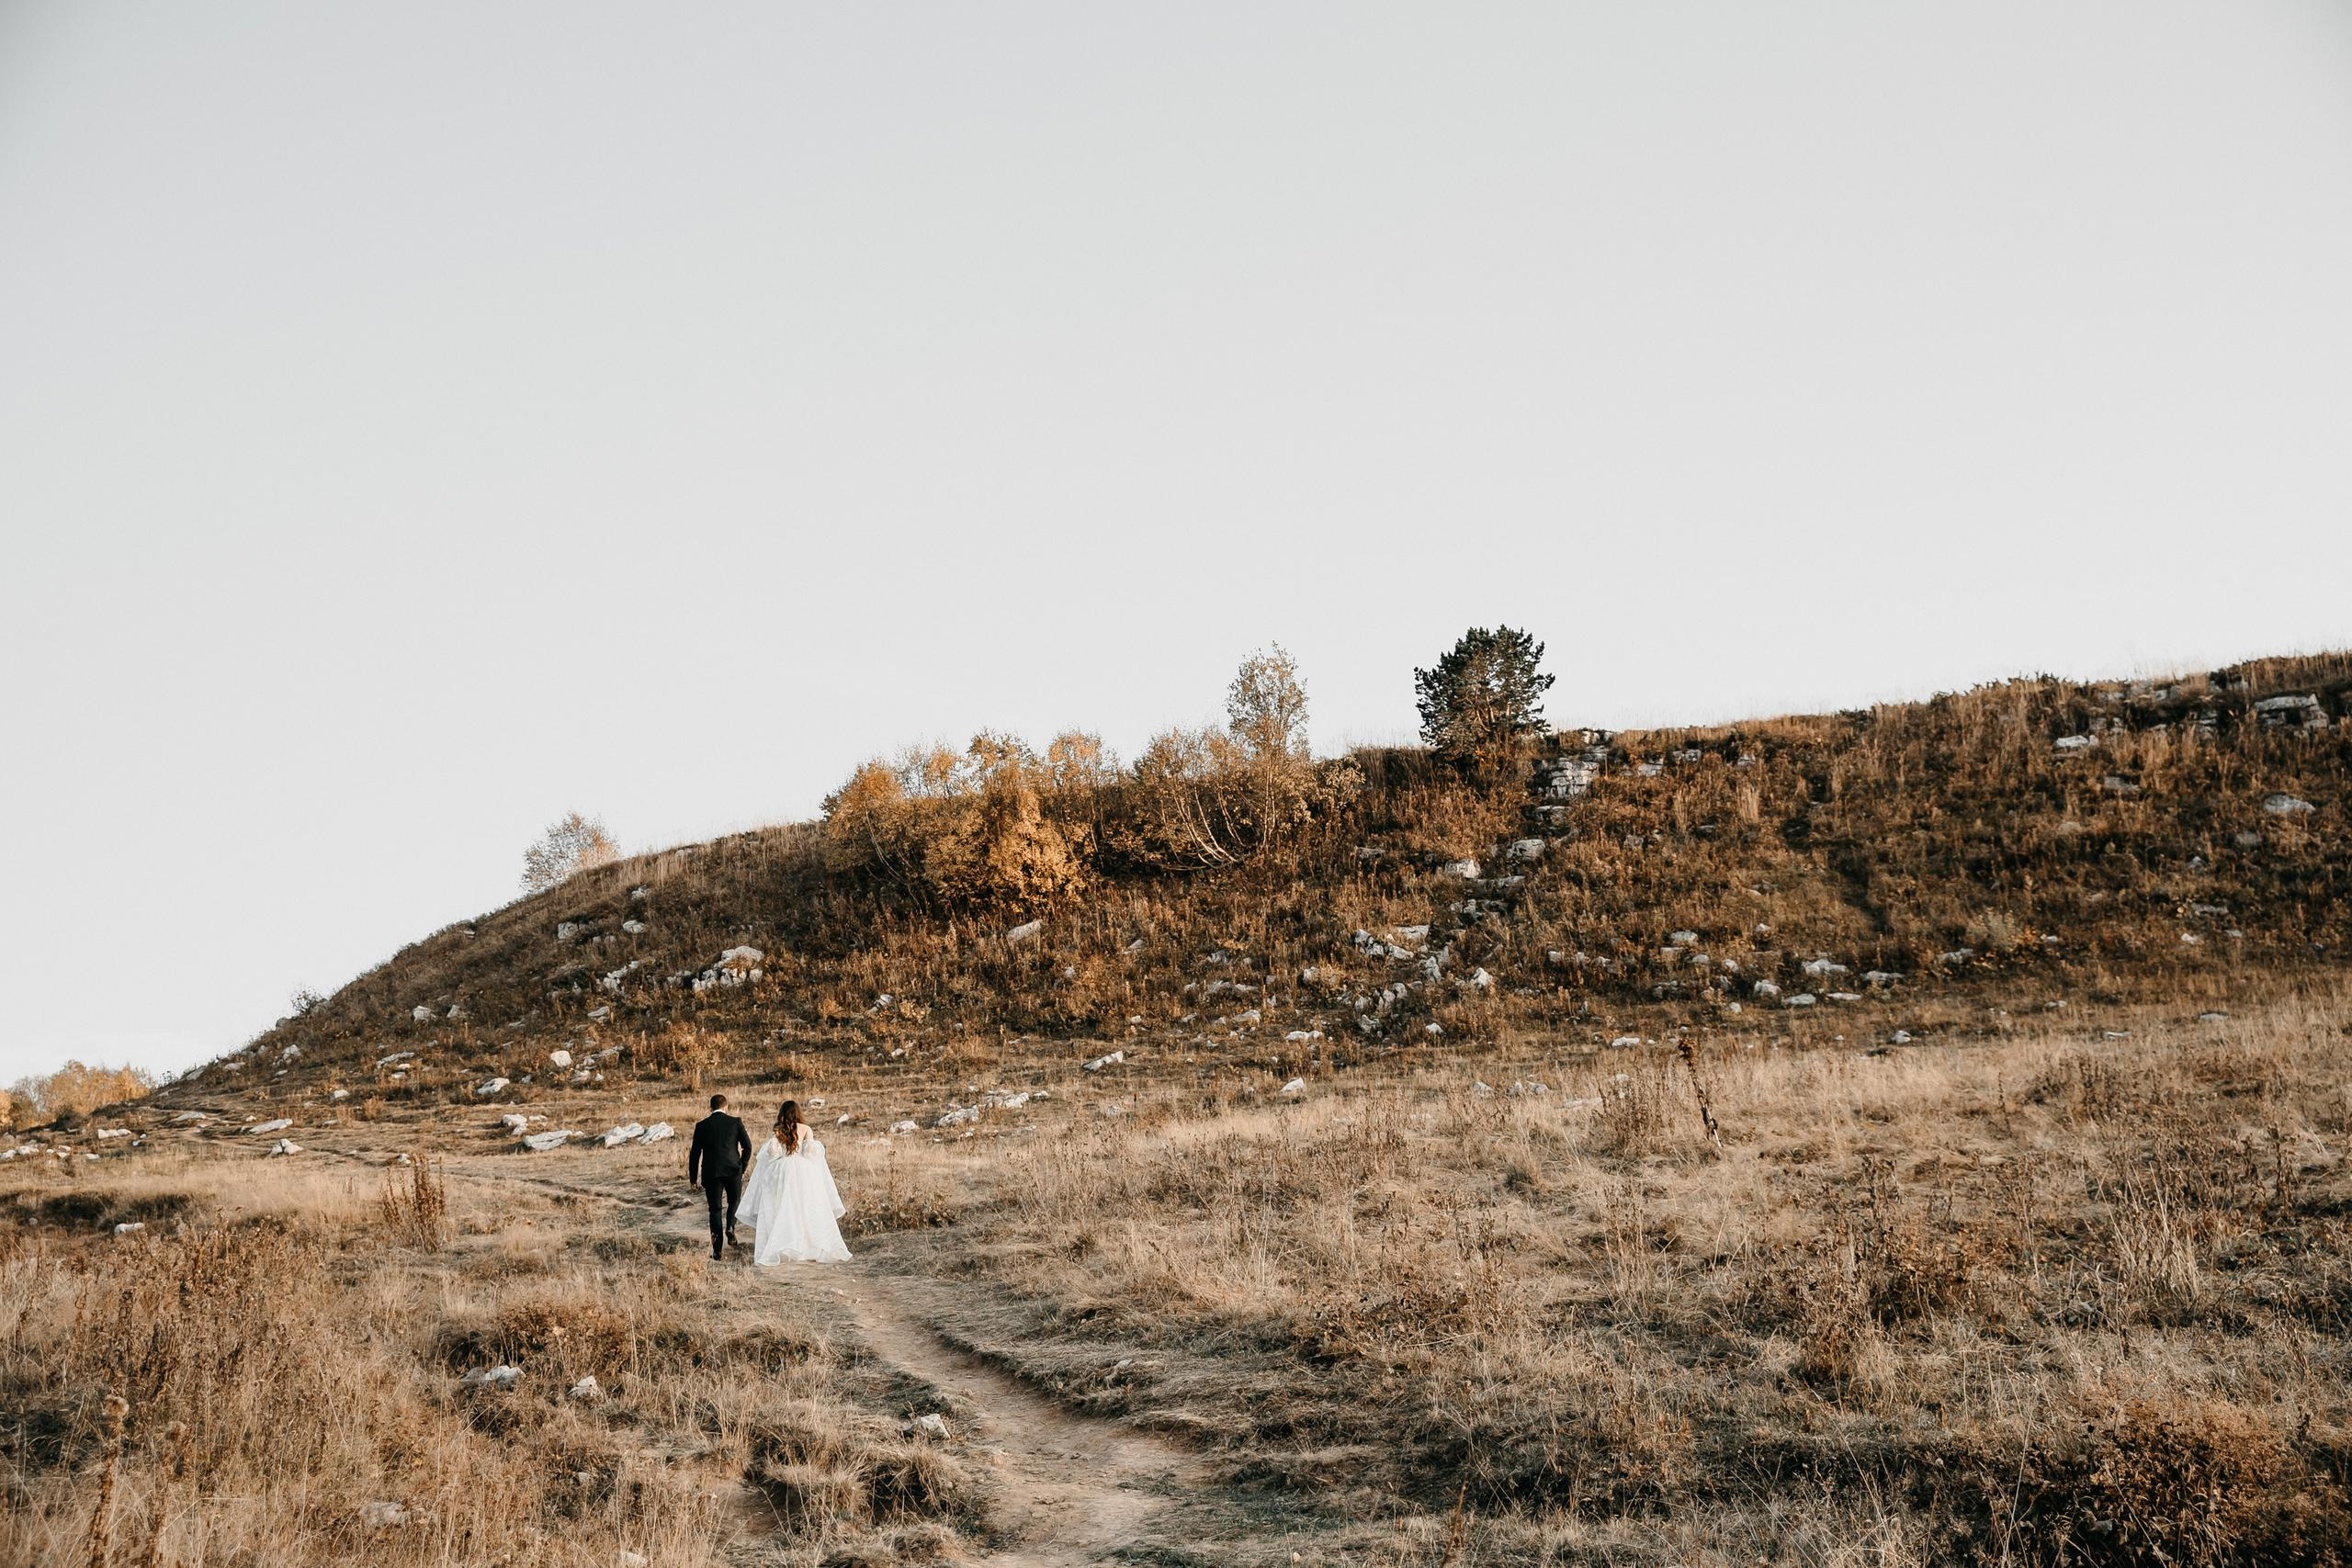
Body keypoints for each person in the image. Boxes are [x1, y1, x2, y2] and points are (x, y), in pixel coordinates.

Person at [736, 1099, 851, 1265]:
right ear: (798, 1113)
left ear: (782, 1114)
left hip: (782, 1171)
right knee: (804, 1206)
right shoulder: (806, 1129)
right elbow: (811, 1152)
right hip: (803, 1172)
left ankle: (786, 1243)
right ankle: (806, 1245)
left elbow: (773, 1152)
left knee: (784, 1207)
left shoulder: (779, 1130)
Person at [686, 1092, 752, 1261]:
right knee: (734, 1200)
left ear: (711, 1108)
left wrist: (693, 1179)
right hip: (733, 1170)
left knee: (715, 1210)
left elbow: (694, 1154)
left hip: (711, 1172)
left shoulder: (702, 1126)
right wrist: (742, 1166)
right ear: (726, 1106)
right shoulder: (735, 1122)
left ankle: (717, 1251)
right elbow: (748, 1147)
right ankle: (730, 1226)